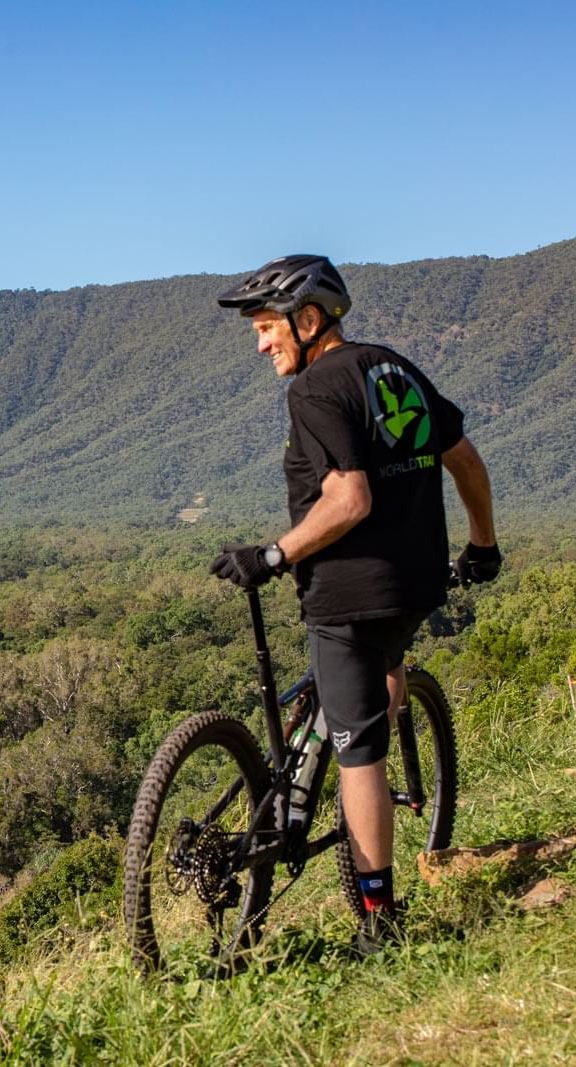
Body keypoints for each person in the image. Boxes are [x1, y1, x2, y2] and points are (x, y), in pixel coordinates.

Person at [209, 254, 500, 952]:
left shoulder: (313, 390)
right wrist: (481, 545)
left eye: (266, 328)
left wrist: (273, 554)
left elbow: (349, 497)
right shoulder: (393, 368)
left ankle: (376, 918)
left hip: (346, 595)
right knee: (380, 679)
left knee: (358, 753)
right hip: (413, 583)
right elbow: (462, 458)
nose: (259, 343)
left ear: (308, 321)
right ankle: (377, 707)